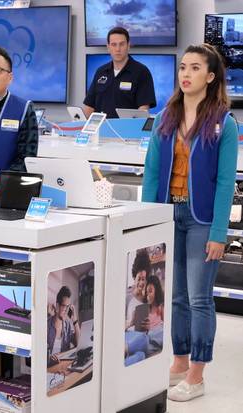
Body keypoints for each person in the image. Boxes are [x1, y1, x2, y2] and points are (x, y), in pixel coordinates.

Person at [141, 43, 238, 402]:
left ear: (210, 77)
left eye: (195, 68)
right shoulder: (165, 118)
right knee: (175, 297)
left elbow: (226, 183)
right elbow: (152, 173)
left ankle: (197, 374)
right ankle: (179, 362)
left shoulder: (225, 124)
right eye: (183, 67)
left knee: (199, 298)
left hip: (202, 221)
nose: (186, 73)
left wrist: (219, 232)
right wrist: (147, 222)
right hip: (169, 215)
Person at [83, 27, 156, 119]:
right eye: (114, 45)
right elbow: (89, 106)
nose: (118, 49)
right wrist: (84, 124)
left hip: (127, 128)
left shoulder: (141, 72)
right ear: (108, 47)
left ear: (128, 46)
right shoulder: (100, 72)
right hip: (100, 127)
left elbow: (143, 109)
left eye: (122, 44)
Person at [47, 286, 80, 362]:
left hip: (61, 366)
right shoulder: (47, 325)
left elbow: (78, 344)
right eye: (64, 306)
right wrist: (49, 358)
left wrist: (75, 321)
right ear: (57, 305)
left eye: (68, 306)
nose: (66, 310)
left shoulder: (68, 326)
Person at [126, 248, 151, 331]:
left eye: (143, 279)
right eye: (139, 279)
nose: (141, 282)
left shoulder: (148, 299)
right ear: (134, 278)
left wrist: (149, 327)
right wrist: (130, 323)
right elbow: (115, 327)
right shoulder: (127, 297)